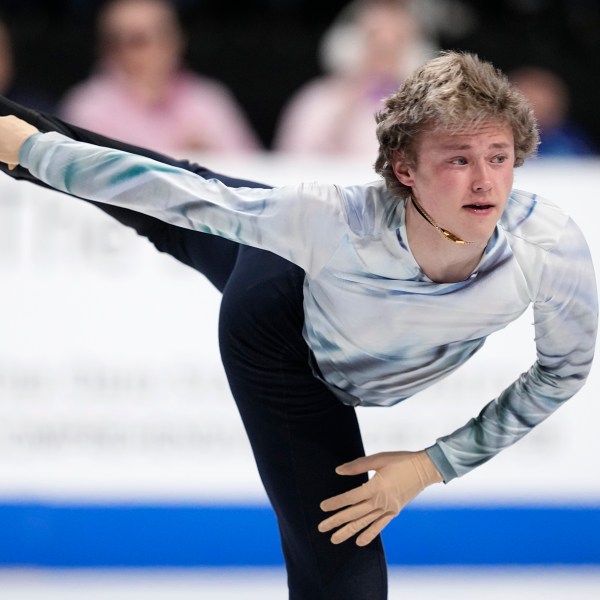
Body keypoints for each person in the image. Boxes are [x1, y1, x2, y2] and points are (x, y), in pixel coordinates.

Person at [0, 50, 597, 599]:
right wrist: (32, 155)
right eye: (458, 160)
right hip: (279, 333)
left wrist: (431, 464)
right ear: (404, 168)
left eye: (498, 157)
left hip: (302, 268)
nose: (485, 181)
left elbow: (561, 373)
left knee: (173, 194)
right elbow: (179, 196)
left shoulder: (546, 249)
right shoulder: (335, 219)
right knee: (348, 576)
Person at [59, 0, 261, 155]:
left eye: (138, 40)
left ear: (174, 41)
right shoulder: (88, 106)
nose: (125, 52)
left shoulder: (207, 101)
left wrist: (210, 159)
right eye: (115, 41)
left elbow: (252, 173)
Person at [273, 0, 436, 156]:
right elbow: (292, 163)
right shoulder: (316, 101)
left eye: (398, 39)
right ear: (347, 44)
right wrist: (349, 104)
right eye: (373, 36)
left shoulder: (426, 108)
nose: (385, 49)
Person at [509, 66, 597, 157]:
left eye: (542, 106)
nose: (536, 115)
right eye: (529, 105)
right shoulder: (498, 140)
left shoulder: (574, 143)